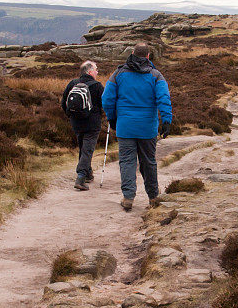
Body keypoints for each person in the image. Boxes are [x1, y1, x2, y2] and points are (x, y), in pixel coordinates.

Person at [101, 42, 172, 210]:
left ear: (132, 53)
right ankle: (153, 197)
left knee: (127, 162)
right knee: (148, 162)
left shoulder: (118, 74)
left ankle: (128, 198)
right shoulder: (156, 75)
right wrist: (167, 120)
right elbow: (164, 98)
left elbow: (107, 99)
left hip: (125, 126)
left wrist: (112, 119)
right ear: (148, 56)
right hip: (147, 128)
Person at [61, 60, 104, 191]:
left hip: (76, 122)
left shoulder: (73, 83)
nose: (97, 72)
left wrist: (70, 115)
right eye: (96, 69)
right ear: (90, 71)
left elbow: (64, 102)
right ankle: (80, 177)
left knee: (83, 148)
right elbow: (104, 104)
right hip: (92, 124)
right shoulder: (97, 86)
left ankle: (88, 174)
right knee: (87, 150)